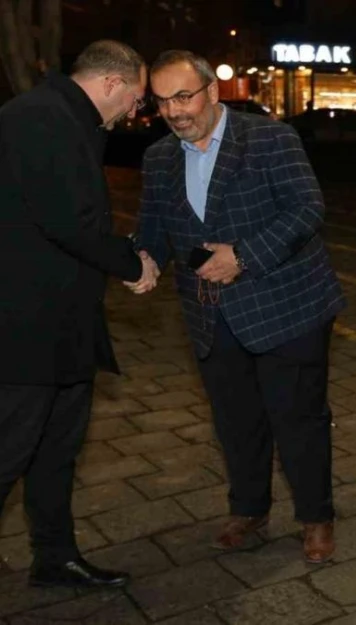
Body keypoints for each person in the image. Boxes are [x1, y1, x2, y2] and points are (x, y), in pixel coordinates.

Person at [131, 50, 346, 563]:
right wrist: (144, 257)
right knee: (235, 420)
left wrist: (244, 257)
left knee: (298, 419)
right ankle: (249, 509)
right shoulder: (158, 158)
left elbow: (307, 208)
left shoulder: (270, 138)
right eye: (162, 102)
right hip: (208, 313)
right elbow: (155, 226)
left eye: (183, 97)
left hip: (287, 306)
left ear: (211, 91)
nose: (174, 111)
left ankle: (316, 518)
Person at [0, 39, 154, 588]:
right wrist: (132, 262)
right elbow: (68, 220)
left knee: (56, 452)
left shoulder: (68, 118)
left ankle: (54, 556)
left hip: (64, 326)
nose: (134, 113)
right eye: (135, 100)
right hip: (24, 331)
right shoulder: (40, 118)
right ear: (111, 84)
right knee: (10, 451)